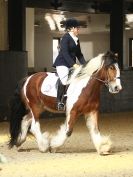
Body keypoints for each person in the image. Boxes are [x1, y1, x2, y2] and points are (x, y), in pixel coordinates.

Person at [53, 18, 86, 111]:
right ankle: (59, 101)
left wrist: (85, 65)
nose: (79, 30)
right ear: (71, 28)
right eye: (77, 28)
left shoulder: (76, 39)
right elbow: (65, 53)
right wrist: (74, 64)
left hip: (71, 64)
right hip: (62, 63)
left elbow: (79, 54)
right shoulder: (65, 38)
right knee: (64, 80)